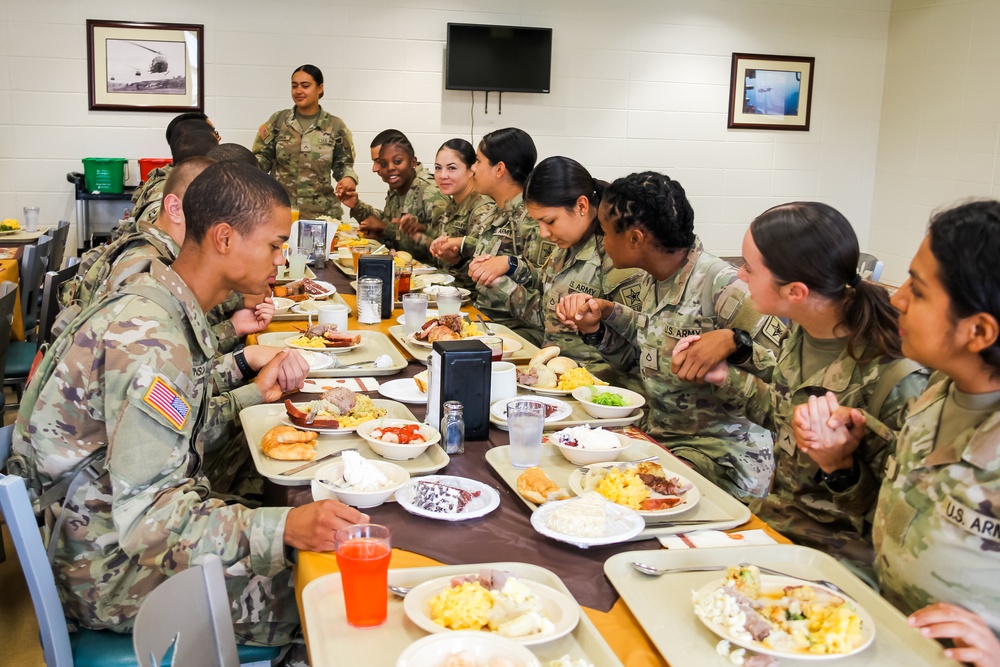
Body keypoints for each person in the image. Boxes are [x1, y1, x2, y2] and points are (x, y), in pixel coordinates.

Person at [8, 161, 366, 652]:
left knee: (301, 536)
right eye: (274, 245)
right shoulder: (152, 339)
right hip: (111, 571)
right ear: (224, 238)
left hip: (104, 533)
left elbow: (181, 410)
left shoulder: (159, 303)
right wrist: (284, 526)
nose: (281, 261)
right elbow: (150, 522)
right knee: (336, 595)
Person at [801, 201, 1000, 664]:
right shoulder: (933, 395)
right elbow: (899, 518)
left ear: (979, 330)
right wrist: (842, 463)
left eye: (921, 290)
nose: (897, 298)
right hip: (884, 636)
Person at [680, 201, 928, 569]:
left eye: (749, 268)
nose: (741, 276)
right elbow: (785, 418)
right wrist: (725, 378)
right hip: (777, 525)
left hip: (836, 561)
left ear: (795, 291)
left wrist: (841, 468)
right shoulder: (802, 328)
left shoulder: (896, 376)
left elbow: (906, 520)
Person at [556, 171, 784, 500]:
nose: (602, 243)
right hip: (662, 438)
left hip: (720, 458)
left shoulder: (725, 287)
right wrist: (599, 324)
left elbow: (781, 378)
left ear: (635, 239)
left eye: (604, 233)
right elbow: (642, 361)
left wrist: (735, 344)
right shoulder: (653, 279)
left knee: (610, 499)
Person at [494, 156, 645, 381]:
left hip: (597, 385)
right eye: (538, 223)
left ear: (581, 206)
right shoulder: (566, 245)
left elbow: (638, 351)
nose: (544, 233)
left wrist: (594, 330)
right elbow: (547, 305)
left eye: (550, 221)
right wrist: (507, 272)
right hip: (554, 376)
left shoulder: (616, 255)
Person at [432, 128, 550, 342]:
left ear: (499, 169)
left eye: (478, 161)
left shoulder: (532, 220)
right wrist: (458, 260)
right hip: (485, 320)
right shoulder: (495, 212)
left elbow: (544, 296)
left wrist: (500, 280)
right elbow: (481, 276)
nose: (473, 169)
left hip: (515, 333)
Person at [253, 64, 358, 221]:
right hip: (281, 211)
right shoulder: (278, 121)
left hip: (321, 215)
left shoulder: (335, 125)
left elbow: (343, 165)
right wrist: (243, 166)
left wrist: (348, 178)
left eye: (305, 86)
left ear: (320, 88)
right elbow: (262, 159)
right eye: (294, 86)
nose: (298, 91)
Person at [336, 132, 447, 265]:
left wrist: (385, 228)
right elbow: (389, 223)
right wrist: (357, 206)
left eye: (378, 162)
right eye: (382, 163)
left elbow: (444, 249)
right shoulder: (399, 185)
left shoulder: (430, 192)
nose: (375, 169)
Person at [427, 138, 494, 284]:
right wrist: (453, 259)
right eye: (438, 168)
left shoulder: (482, 207)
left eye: (452, 168)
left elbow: (483, 266)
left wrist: (457, 260)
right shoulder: (453, 203)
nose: (442, 175)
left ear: (471, 170)